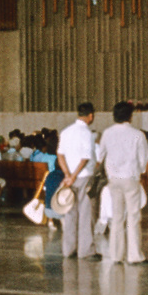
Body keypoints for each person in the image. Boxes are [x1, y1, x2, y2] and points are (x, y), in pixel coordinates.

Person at [100, 101, 148, 264]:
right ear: (130, 116)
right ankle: (134, 255)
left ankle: (116, 255)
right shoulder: (138, 134)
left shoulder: (107, 133)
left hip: (113, 179)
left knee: (116, 217)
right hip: (130, 178)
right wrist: (140, 171)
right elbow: (143, 158)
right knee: (133, 217)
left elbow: (101, 155)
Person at [57, 103, 100, 260]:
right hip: (83, 176)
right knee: (85, 214)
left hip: (69, 178)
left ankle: (69, 250)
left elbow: (60, 155)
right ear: (91, 116)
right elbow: (85, 157)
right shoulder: (86, 133)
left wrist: (67, 175)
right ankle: (86, 250)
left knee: (69, 212)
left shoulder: (66, 131)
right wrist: (74, 175)